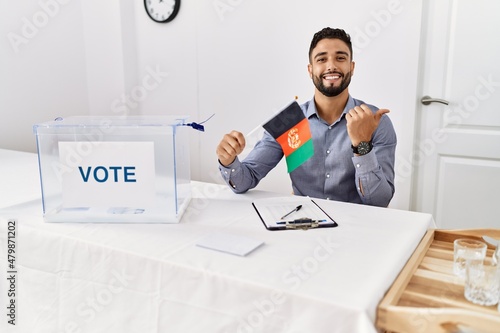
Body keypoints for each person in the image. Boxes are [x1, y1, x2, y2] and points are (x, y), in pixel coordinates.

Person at [215, 27, 396, 207]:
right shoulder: (289, 121)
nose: (331, 65)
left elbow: (379, 201)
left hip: (357, 226)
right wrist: (228, 161)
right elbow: (245, 181)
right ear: (310, 70)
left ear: (352, 67)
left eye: (340, 58)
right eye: (322, 59)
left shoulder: (375, 122)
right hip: (303, 225)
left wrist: (362, 145)